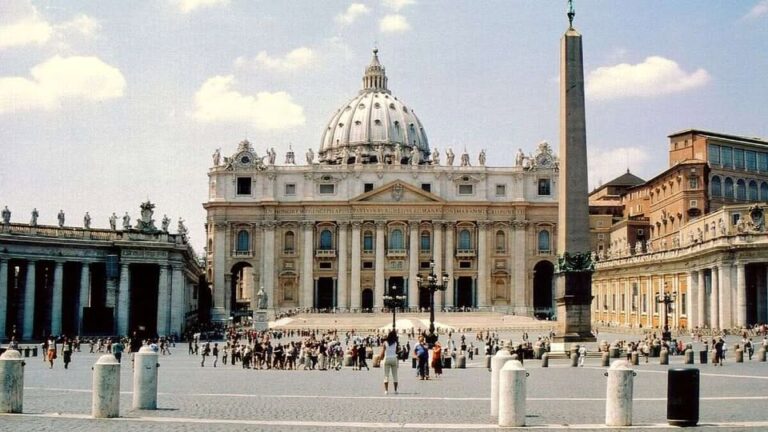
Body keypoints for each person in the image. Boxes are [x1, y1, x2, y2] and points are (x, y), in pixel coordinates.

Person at [381, 330, 400, 395]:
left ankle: (386, 390)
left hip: (387, 358)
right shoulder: (395, 343)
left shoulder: (385, 343)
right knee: (395, 375)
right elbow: (397, 351)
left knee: (386, 375)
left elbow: (382, 352)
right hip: (394, 358)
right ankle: (395, 390)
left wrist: (380, 358)